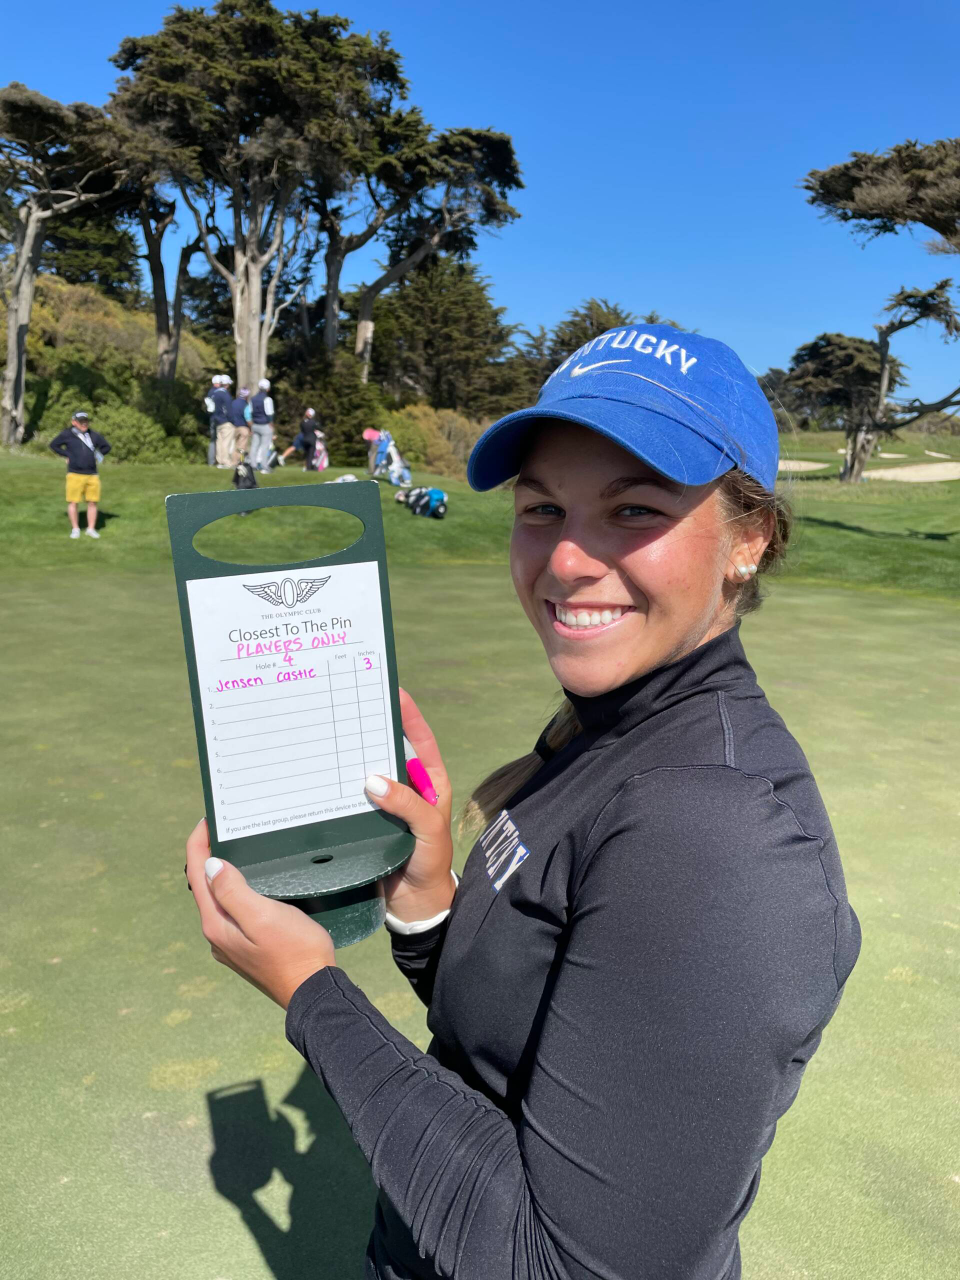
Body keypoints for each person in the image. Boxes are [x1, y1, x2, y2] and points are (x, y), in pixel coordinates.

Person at [185, 324, 861, 1280]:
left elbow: (557, 1265)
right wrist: (425, 901)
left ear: (748, 540)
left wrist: (311, 991)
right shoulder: (610, 730)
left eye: (633, 510)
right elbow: (514, 1040)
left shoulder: (715, 830)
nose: (568, 560)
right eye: (542, 507)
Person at [49, 411, 112, 539]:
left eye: (86, 421)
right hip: (74, 473)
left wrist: (98, 455)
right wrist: (67, 454)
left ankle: (91, 529)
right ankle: (75, 529)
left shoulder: (93, 435)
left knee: (93, 502)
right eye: (81, 421)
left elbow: (107, 447)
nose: (84, 423)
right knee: (73, 502)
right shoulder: (67, 434)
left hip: (92, 474)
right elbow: (53, 445)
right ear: (74, 422)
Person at [248, 378, 275, 474]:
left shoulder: (253, 399)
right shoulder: (267, 399)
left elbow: (251, 412)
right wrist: (272, 425)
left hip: (255, 425)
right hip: (264, 425)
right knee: (264, 446)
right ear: (267, 389)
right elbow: (269, 414)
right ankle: (264, 466)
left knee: (254, 446)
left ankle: (253, 465)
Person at [212, 375, 234, 468]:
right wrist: (232, 420)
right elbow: (229, 409)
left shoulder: (215, 394)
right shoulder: (225, 395)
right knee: (226, 442)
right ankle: (225, 461)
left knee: (219, 441)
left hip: (217, 421)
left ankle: (220, 460)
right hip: (226, 421)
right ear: (227, 384)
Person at [203, 375, 221, 466]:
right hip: (218, 418)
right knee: (218, 440)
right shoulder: (218, 392)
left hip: (212, 418)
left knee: (213, 440)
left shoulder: (210, 392)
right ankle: (218, 460)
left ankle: (211, 461)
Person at [231, 387, 252, 462]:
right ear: (246, 396)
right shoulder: (246, 405)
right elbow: (248, 418)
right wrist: (251, 428)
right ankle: (240, 461)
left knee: (235, 445)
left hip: (233, 426)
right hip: (243, 427)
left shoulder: (233, 403)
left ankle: (233, 461)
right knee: (242, 447)